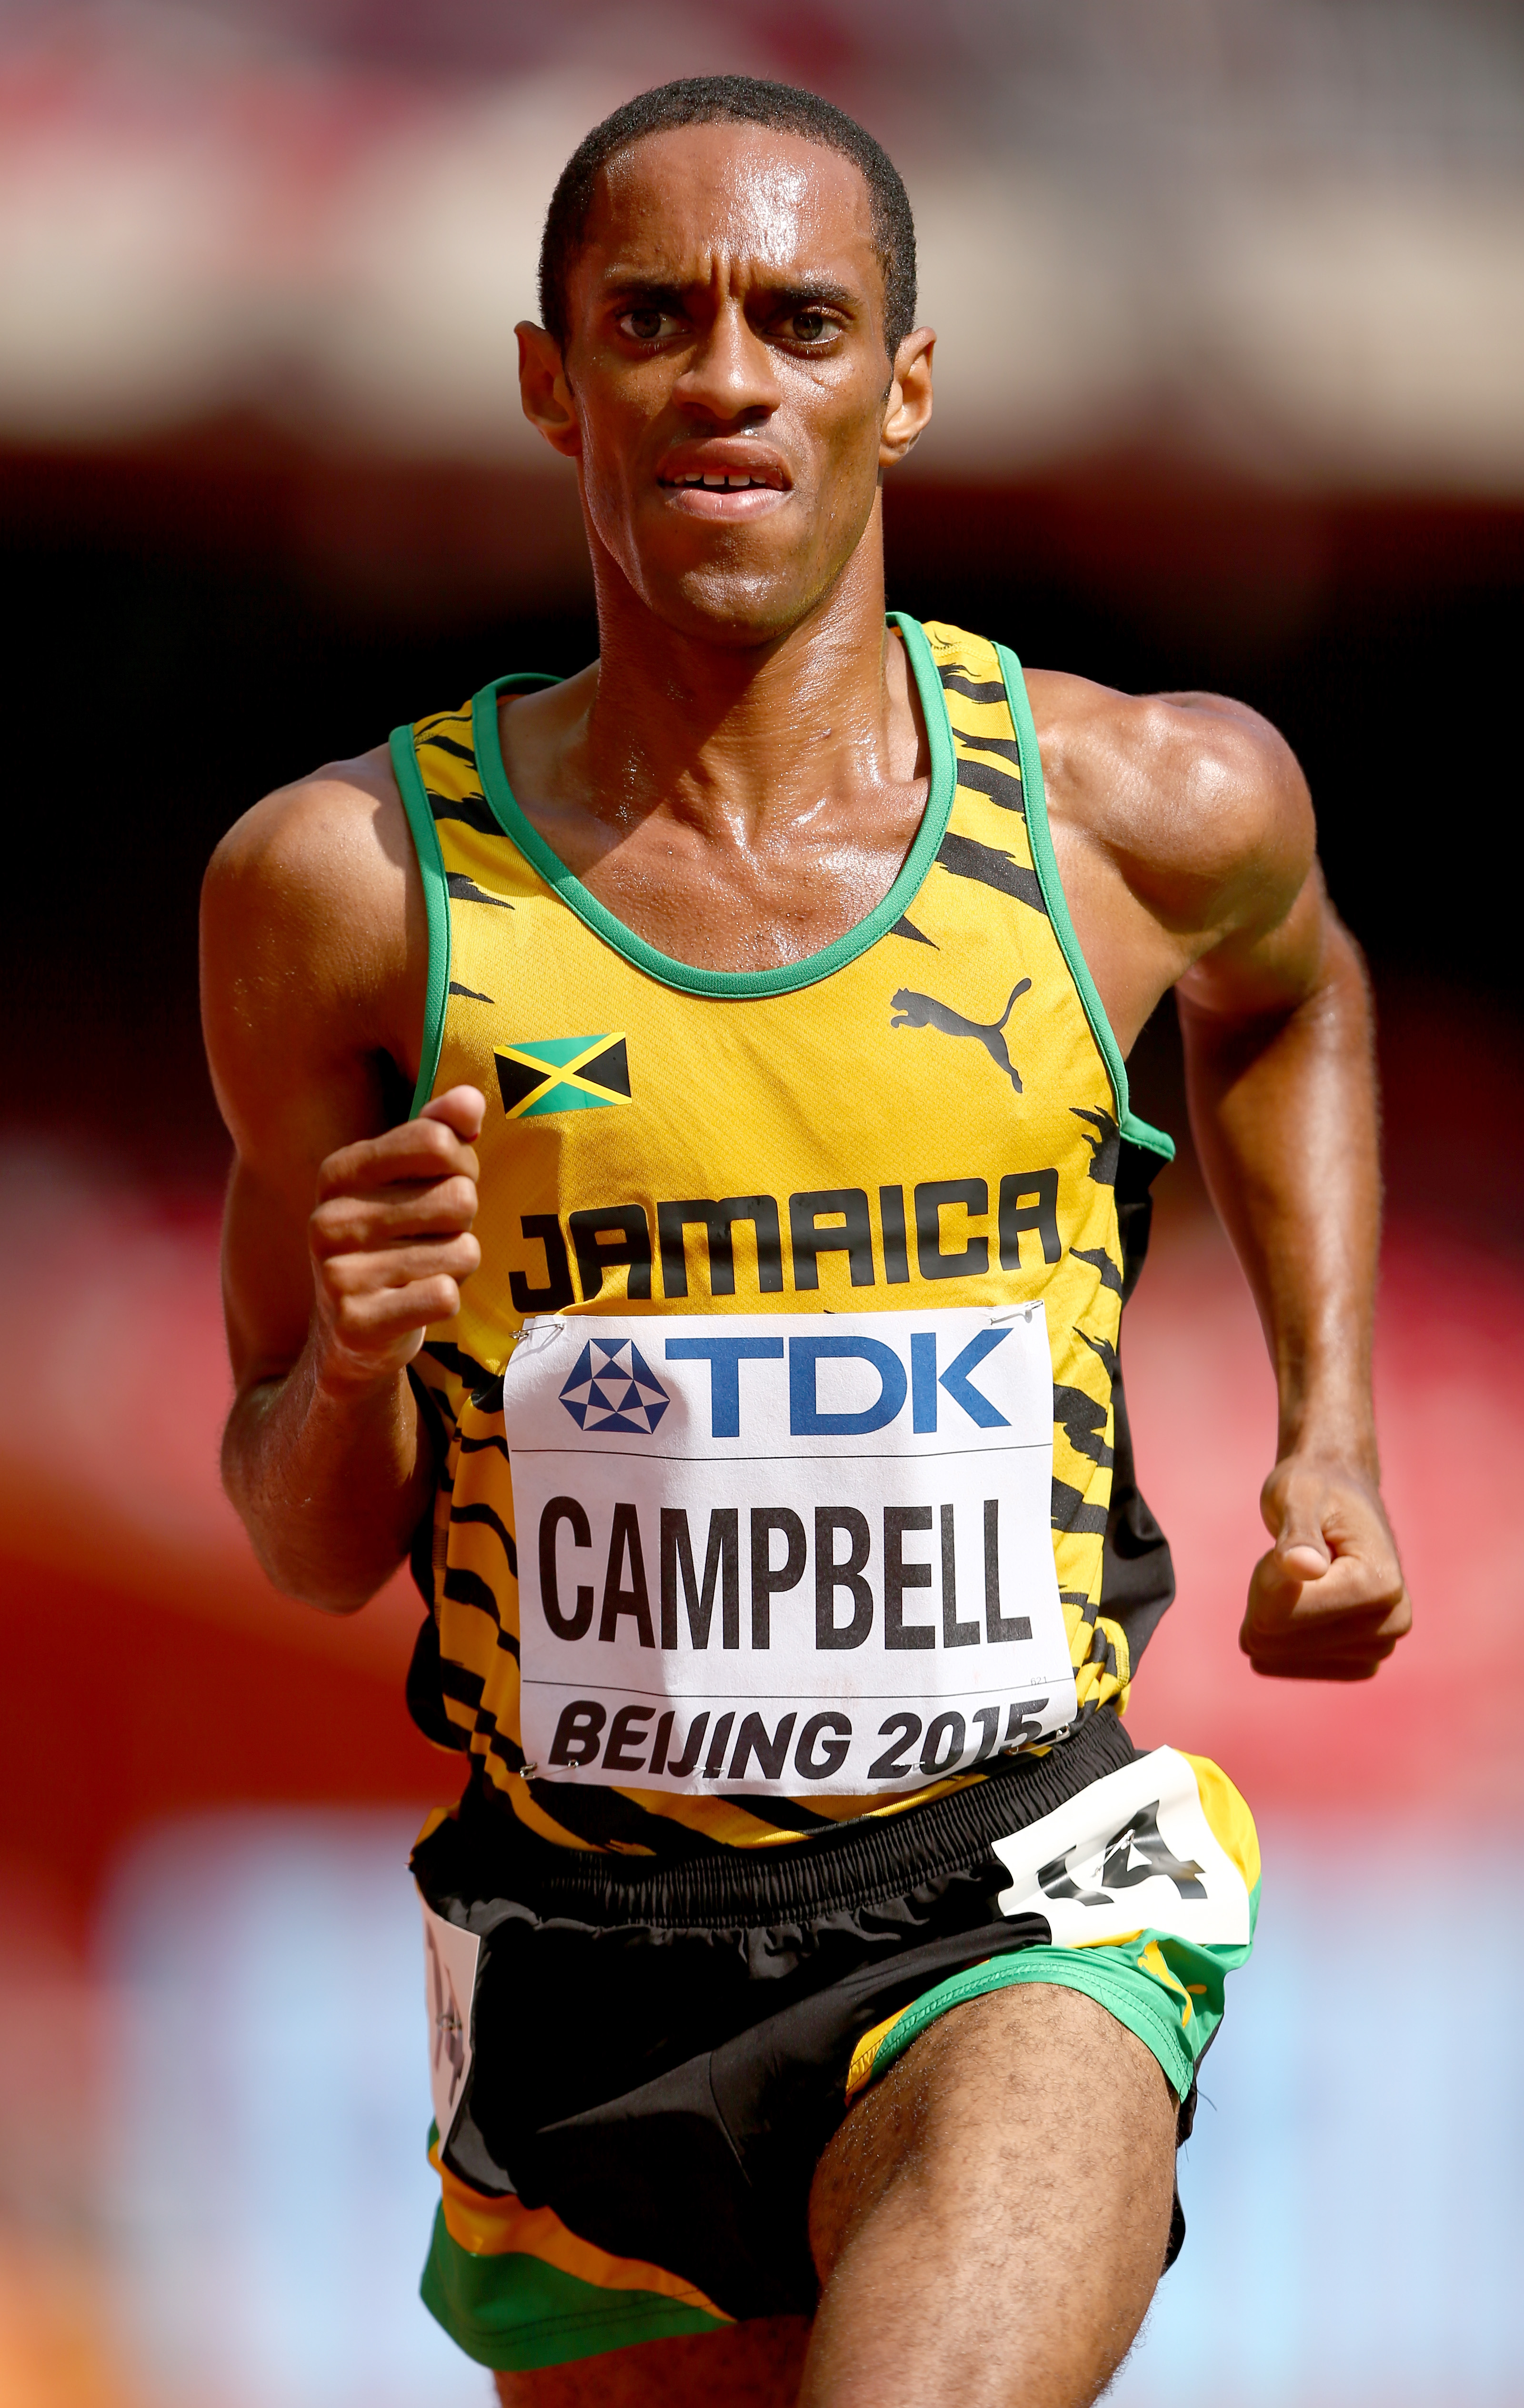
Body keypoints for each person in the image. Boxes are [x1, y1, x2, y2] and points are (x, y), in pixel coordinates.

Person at [201, 74, 1409, 2408]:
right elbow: (300, 1540)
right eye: (651, 317)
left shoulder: (1141, 812)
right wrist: (348, 1368)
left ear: (905, 382)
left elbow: (1293, 991)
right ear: (552, 382)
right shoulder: (345, 898)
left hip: (1013, 1896)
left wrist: (1326, 1423)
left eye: (800, 317)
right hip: (585, 1964)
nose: (727, 373)